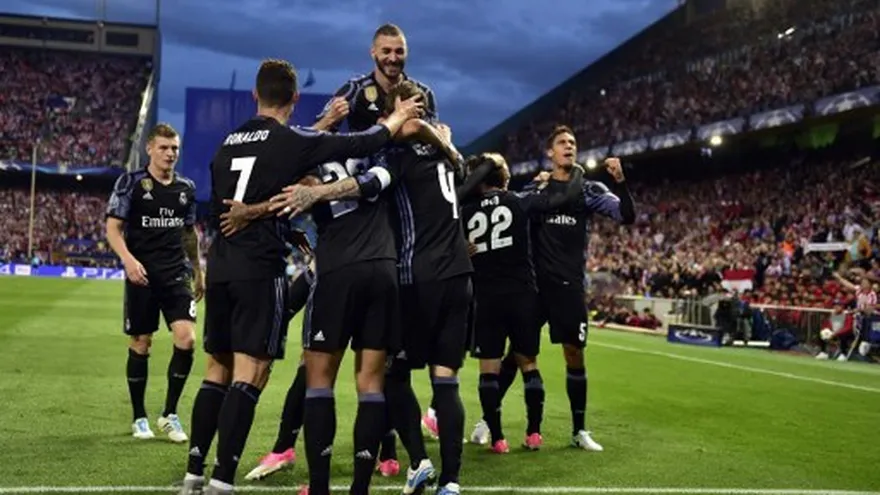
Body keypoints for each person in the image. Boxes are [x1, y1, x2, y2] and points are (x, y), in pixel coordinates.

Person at [176, 58, 423, 495]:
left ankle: (194, 470)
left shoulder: (226, 143)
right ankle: (220, 481)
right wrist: (397, 119)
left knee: (216, 367)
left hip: (223, 266)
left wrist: (324, 121)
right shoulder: (292, 142)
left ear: (255, 95)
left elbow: (224, 206)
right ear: (293, 97)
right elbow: (364, 142)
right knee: (250, 373)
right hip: (261, 268)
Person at [245, 22, 440, 481]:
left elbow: (296, 156)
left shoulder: (406, 122)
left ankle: (377, 457)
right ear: (373, 53)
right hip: (362, 250)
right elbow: (316, 149)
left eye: (400, 51)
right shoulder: (358, 113)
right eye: (387, 51)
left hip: (381, 250)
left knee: (364, 368)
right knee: (355, 369)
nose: (394, 58)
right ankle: (289, 447)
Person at [272, 81, 479, 495]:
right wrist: (447, 144)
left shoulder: (390, 153)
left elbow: (364, 183)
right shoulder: (440, 154)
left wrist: (315, 190)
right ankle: (440, 481)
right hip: (445, 274)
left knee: (359, 377)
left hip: (400, 273)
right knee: (434, 381)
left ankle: (390, 467)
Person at [461, 152, 584, 452]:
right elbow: (557, 198)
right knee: (528, 364)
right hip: (522, 296)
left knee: (489, 371)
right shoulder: (519, 202)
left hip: (486, 298)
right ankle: (533, 434)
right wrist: (574, 173)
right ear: (502, 177)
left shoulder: (462, 210)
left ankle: (499, 439)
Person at [525, 126, 635, 451]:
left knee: (574, 355)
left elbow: (626, 215)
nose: (568, 146)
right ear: (550, 152)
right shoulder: (537, 187)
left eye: (572, 142)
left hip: (569, 286)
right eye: (562, 142)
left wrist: (621, 182)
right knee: (520, 353)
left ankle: (579, 430)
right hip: (534, 285)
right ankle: (489, 420)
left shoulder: (589, 190)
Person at [104, 123, 202, 444]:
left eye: (174, 148)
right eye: (163, 147)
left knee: (186, 339)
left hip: (176, 273)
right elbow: (113, 229)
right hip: (141, 274)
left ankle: (169, 414)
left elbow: (189, 233)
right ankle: (139, 417)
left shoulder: (186, 188)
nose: (170, 153)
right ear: (150, 149)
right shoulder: (131, 183)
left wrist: (199, 271)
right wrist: (129, 261)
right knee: (141, 342)